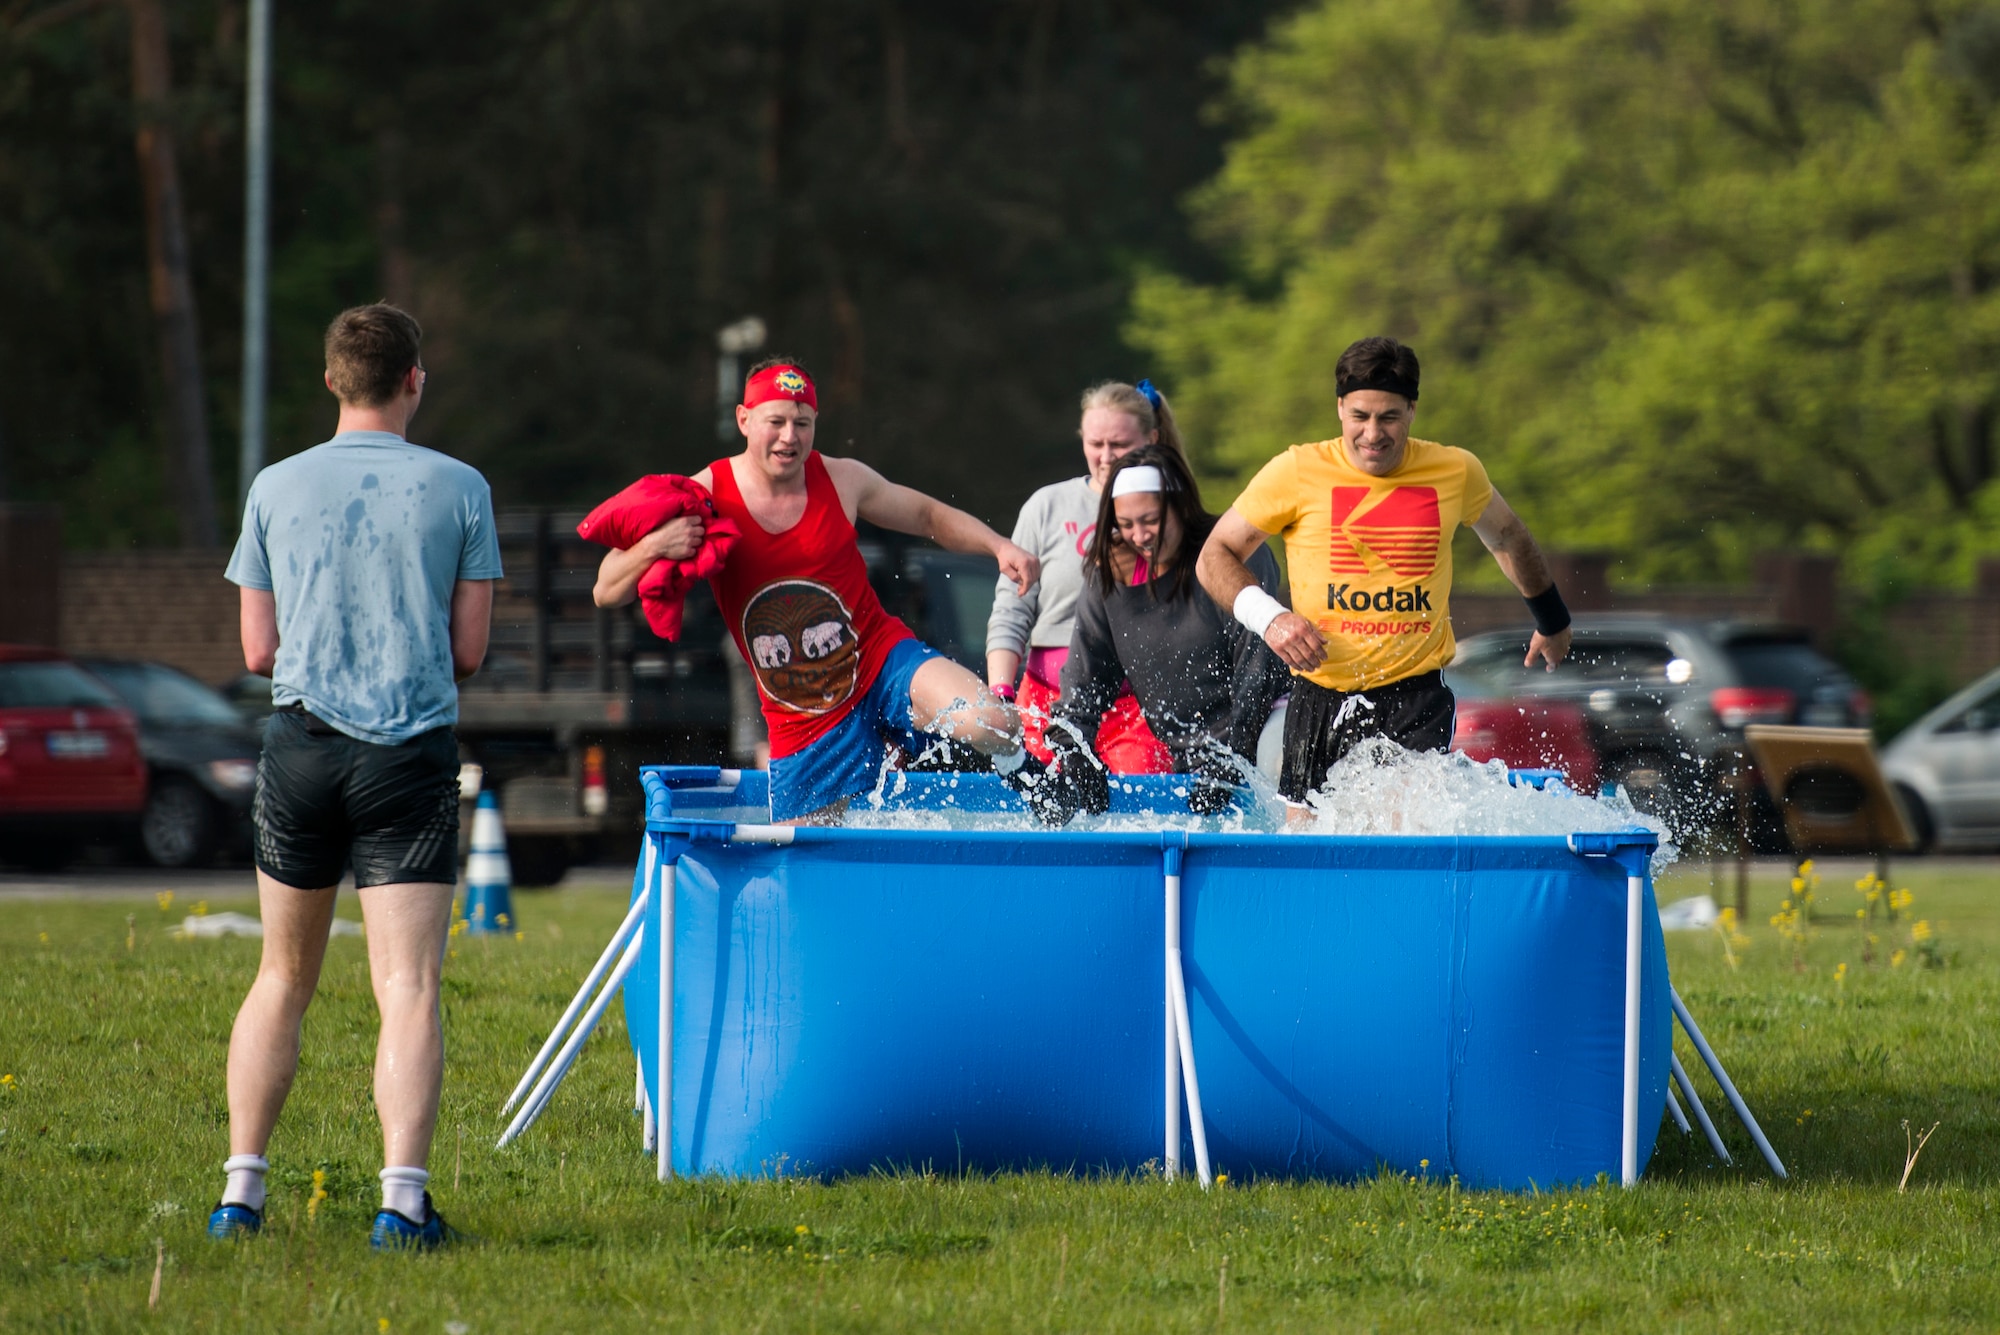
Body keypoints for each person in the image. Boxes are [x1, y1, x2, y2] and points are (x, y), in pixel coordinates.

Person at [211, 303, 502, 1251]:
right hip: (408, 757)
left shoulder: (273, 485)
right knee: (407, 986)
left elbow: (258, 648)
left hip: (298, 749)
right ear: (415, 380)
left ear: (331, 381)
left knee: (281, 977)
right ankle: (402, 1204)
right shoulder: (462, 488)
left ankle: (240, 1196)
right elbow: (468, 650)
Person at [592, 357, 1103, 825]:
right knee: (808, 866)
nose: (789, 437)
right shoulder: (705, 494)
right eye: (776, 421)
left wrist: (998, 546)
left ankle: (1028, 779)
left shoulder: (840, 478)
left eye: (803, 423)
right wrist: (656, 544)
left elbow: (926, 515)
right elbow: (606, 589)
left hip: (880, 661)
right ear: (744, 419)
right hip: (802, 712)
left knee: (993, 720)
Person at [1197, 336, 1573, 807]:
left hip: (1415, 697)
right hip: (1319, 694)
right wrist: (1270, 618)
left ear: (1412, 411)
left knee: (1400, 844)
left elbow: (1508, 537)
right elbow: (1215, 555)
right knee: (1316, 857)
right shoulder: (1295, 471)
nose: (1373, 434)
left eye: (1389, 417)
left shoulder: (1454, 470)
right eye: (1360, 416)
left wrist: (1552, 618)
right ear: (1340, 409)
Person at [1049, 445, 1289, 812]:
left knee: (1276, 764)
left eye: (1151, 520)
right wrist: (1075, 753)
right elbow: (1083, 685)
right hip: (1193, 761)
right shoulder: (1108, 580)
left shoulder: (1232, 554)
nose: (1140, 536)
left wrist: (1230, 762)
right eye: (1126, 525)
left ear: (1180, 507)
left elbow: (1258, 673)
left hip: (1269, 726)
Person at [985, 380, 1176, 774]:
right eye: (1095, 444)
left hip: (1135, 710)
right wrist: (1001, 698)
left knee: (1132, 821)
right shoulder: (1046, 506)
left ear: (1152, 439)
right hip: (1044, 701)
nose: (1106, 457)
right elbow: (1011, 607)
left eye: (1119, 445)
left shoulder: (1172, 513)